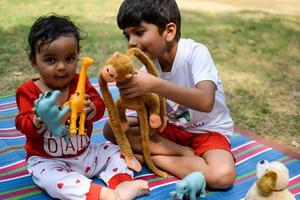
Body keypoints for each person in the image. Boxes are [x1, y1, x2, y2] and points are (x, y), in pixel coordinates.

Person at [103, 0, 236, 189]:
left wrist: (155, 85)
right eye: (127, 35)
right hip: (169, 129)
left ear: (169, 31)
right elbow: (150, 113)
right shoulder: (147, 67)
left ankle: (152, 158)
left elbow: (206, 101)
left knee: (222, 176)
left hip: (207, 131)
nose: (131, 42)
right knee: (111, 128)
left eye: (139, 32)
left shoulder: (195, 53)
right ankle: (183, 153)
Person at [15, 14, 149, 200]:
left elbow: (99, 105)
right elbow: (21, 122)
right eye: (51, 60)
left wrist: (91, 108)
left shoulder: (80, 82)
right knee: (54, 181)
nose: (62, 67)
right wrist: (38, 120)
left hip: (86, 153)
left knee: (116, 151)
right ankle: (103, 195)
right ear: (34, 61)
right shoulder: (28, 91)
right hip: (49, 160)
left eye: (69, 58)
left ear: (77, 57)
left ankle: (123, 183)